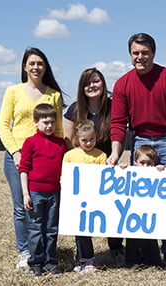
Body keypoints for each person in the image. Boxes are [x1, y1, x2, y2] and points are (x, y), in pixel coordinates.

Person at [107, 33, 166, 270]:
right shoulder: (123, 84)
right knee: (140, 203)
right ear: (130, 55)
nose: (140, 57)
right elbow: (119, 122)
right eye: (135, 53)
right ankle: (142, 254)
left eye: (144, 52)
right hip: (141, 143)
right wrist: (115, 153)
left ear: (153, 53)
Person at [0, 47, 64, 269]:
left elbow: (59, 131)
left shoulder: (53, 94)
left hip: (46, 157)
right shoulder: (13, 91)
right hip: (17, 155)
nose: (36, 67)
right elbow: (3, 126)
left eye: (40, 63)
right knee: (21, 206)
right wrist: (16, 152)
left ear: (46, 67)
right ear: (24, 67)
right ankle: (25, 251)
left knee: (46, 208)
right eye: (32, 63)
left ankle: (44, 252)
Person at [63, 68, 125, 267]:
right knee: (83, 213)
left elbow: (119, 133)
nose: (92, 86)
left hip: (108, 165)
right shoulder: (74, 110)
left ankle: (116, 249)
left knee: (113, 210)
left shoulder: (114, 106)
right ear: (82, 87)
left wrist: (115, 158)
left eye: (96, 81)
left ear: (103, 83)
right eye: (87, 83)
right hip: (82, 171)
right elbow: (67, 142)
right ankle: (85, 256)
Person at [19, 104, 67, 276]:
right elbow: (23, 169)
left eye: (53, 122)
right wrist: (25, 194)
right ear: (36, 122)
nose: (49, 126)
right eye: (45, 122)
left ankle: (50, 262)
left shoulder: (61, 144)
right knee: (36, 228)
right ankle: (35, 263)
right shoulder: (30, 142)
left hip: (54, 192)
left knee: (52, 228)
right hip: (35, 192)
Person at [63, 119, 107, 274]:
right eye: (84, 140)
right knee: (80, 230)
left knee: (89, 227)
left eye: (92, 139)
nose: (88, 143)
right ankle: (84, 258)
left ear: (96, 137)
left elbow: (106, 177)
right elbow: (65, 177)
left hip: (94, 199)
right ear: (77, 139)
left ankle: (89, 258)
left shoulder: (101, 156)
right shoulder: (69, 155)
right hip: (77, 200)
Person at [120, 145, 164, 267]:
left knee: (150, 238)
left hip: (149, 213)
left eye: (149, 163)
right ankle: (132, 262)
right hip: (132, 213)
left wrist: (161, 170)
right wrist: (122, 169)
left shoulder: (156, 173)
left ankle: (153, 261)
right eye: (142, 163)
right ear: (135, 162)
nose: (145, 166)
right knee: (132, 238)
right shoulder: (132, 172)